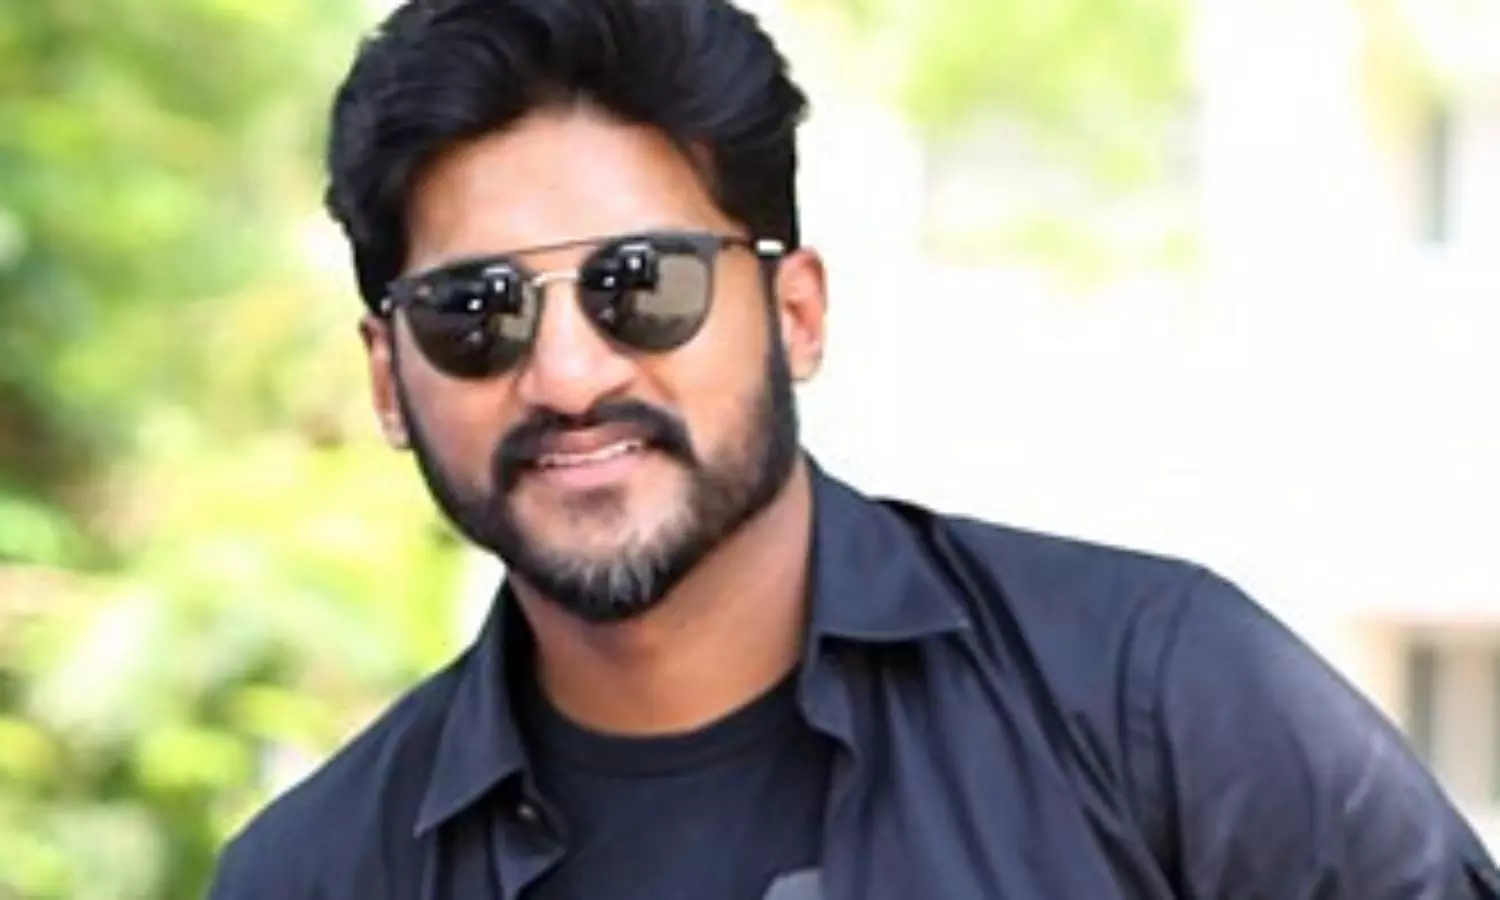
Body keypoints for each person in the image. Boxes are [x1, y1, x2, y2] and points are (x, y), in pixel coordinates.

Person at [207, 0, 1500, 897]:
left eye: (643, 284)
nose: (570, 376)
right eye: (475, 312)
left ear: (797, 313)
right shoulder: (314, 875)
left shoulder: (1155, 702)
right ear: (389, 377)